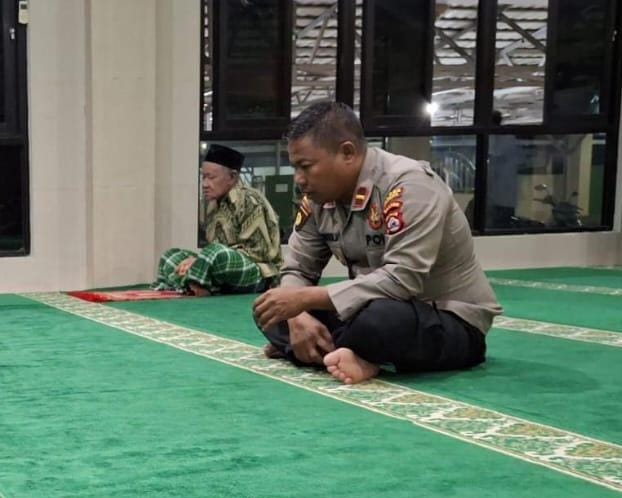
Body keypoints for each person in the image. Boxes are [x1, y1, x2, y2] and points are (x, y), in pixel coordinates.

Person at [252, 102, 502, 385]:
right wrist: (297, 316)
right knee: (270, 310)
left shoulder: (409, 185)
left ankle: (317, 349)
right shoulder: (319, 199)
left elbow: (403, 280)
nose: (299, 179)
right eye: (295, 167)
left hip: (444, 318)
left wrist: (305, 301)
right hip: (367, 308)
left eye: (306, 167)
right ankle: (347, 351)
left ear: (347, 152)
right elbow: (297, 269)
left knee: (381, 319)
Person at [151, 144, 283, 296]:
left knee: (215, 253)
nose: (205, 184)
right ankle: (197, 284)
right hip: (223, 271)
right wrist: (197, 261)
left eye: (211, 178)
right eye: (203, 177)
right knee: (171, 256)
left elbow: (259, 252)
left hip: (258, 274)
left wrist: (201, 260)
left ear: (232, 177)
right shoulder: (214, 205)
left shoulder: (249, 200)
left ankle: (191, 285)